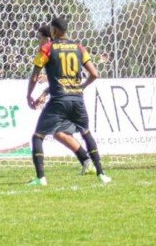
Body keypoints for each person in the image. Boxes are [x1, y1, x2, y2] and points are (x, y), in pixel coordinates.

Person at [26, 16, 111, 185]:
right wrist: (81, 87)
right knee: (85, 133)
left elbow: (35, 75)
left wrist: (29, 95)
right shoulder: (79, 47)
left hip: (59, 99)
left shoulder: (47, 48)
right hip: (77, 99)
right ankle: (101, 173)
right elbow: (94, 74)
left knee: (38, 136)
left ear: (54, 31)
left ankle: (40, 177)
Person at [31, 24, 95, 175]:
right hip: (70, 97)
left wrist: (38, 93)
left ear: (47, 38)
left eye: (39, 37)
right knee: (60, 133)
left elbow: (65, 78)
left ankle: (41, 176)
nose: (38, 41)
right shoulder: (59, 49)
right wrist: (44, 94)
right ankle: (88, 162)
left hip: (67, 99)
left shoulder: (51, 50)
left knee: (41, 134)